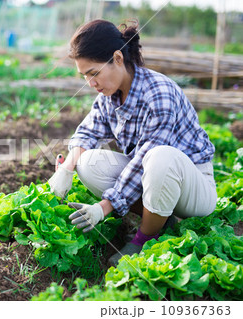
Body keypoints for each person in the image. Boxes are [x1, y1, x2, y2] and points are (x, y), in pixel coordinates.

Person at [48, 19, 217, 266]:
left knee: (160, 156)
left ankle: (143, 238)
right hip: (153, 177)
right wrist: (66, 169)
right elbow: (87, 132)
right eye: (84, 76)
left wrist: (105, 207)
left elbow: (144, 159)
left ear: (118, 58)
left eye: (94, 73)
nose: (91, 84)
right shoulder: (109, 95)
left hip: (193, 188)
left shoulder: (159, 93)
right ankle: (160, 217)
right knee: (87, 162)